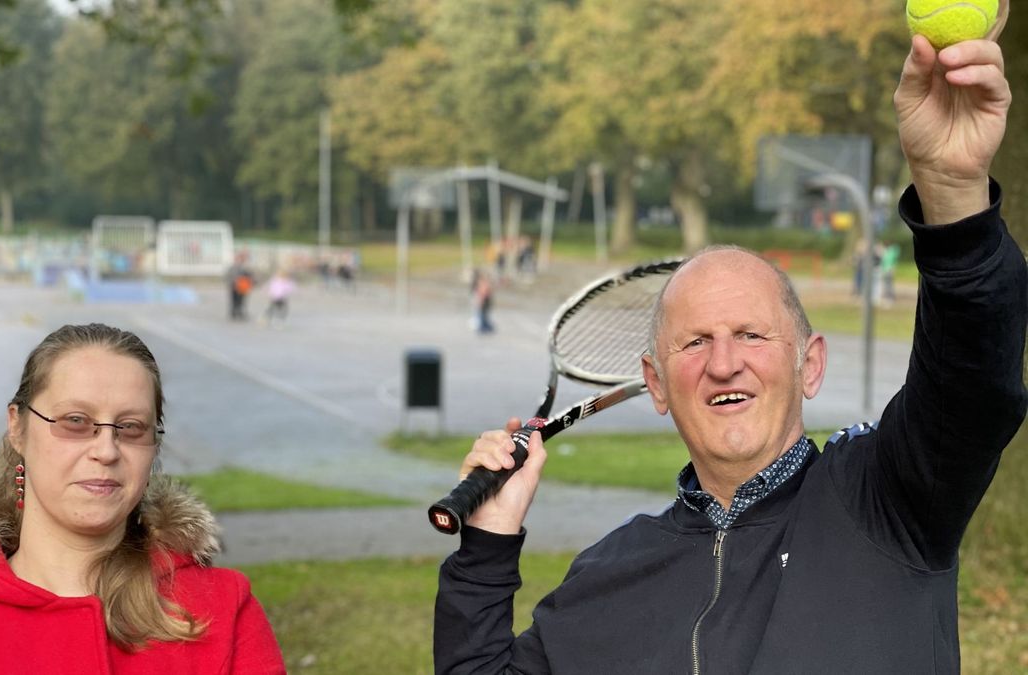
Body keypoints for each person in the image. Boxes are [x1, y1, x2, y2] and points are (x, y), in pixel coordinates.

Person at [435, 33, 1024, 674]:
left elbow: (972, 375)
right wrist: (488, 543)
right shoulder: (606, 578)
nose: (723, 362)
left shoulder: (889, 500)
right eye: (695, 342)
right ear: (655, 385)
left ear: (811, 364)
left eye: (751, 334)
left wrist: (951, 190)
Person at [0, 323, 286, 674]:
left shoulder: (223, 607)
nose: (106, 450)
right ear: (17, 428)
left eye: (130, 427)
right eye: (75, 422)